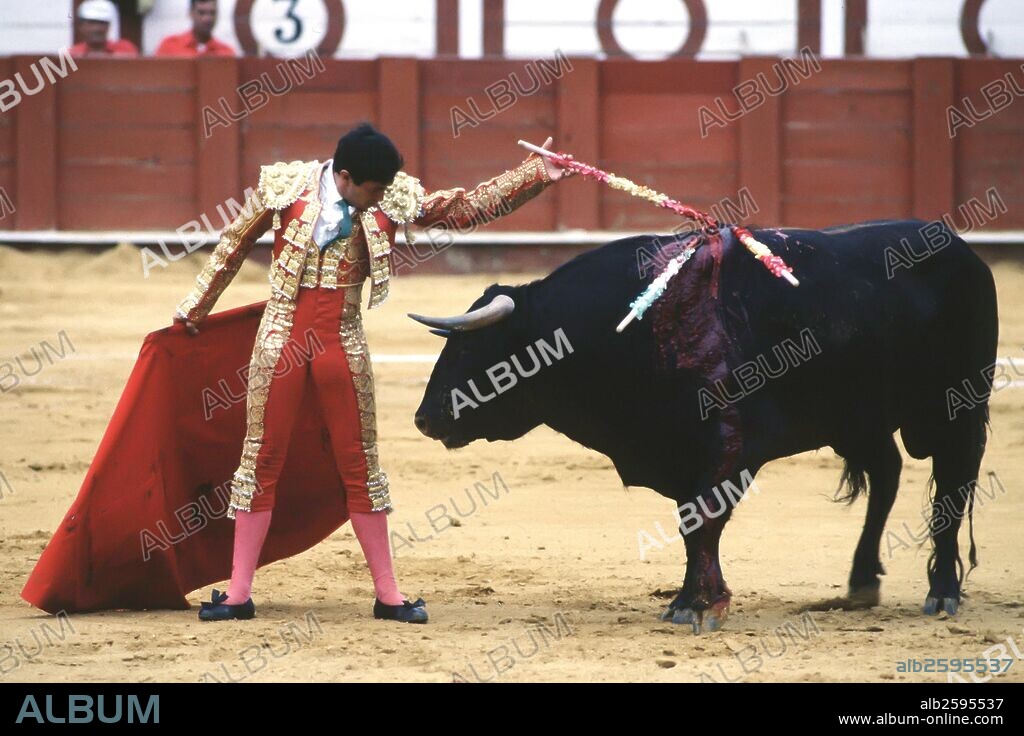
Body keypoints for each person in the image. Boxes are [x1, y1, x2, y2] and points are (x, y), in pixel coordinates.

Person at [172, 124, 570, 623]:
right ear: (344, 177)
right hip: (281, 337)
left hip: (343, 336)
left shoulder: (389, 192)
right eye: (374, 191)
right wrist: (194, 308)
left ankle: (388, 595)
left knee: (359, 463)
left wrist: (535, 175)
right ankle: (237, 593)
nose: (382, 199)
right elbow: (233, 245)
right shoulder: (283, 185)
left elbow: (460, 208)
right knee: (261, 457)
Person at [155, 0, 236, 58]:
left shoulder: (226, 53)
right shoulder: (169, 46)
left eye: (212, 13)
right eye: (201, 12)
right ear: (191, 13)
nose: (207, 18)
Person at [69, 0, 139, 58]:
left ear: (109, 26)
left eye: (102, 23)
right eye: (92, 23)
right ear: (81, 26)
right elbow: (62, 74)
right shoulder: (72, 55)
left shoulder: (125, 49)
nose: (97, 28)